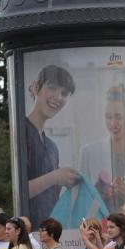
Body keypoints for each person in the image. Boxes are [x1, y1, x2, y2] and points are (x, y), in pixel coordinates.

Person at [25, 64, 80, 225]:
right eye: (52, 88)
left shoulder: (52, 147)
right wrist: (55, 177)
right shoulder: (21, 132)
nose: (58, 97)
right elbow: (17, 190)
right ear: (36, 87)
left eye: (64, 93)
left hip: (48, 233)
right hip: (28, 233)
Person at [78, 84, 125, 211]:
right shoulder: (88, 152)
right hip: (101, 223)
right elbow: (82, 195)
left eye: (118, 117)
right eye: (108, 117)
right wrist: (102, 193)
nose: (112, 123)